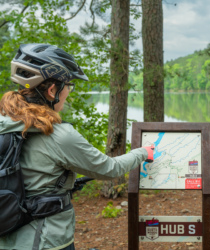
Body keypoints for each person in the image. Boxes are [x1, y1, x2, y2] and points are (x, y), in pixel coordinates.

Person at [0, 43, 154, 250]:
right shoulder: (58, 135)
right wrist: (142, 152)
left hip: (7, 235)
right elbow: (111, 169)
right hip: (46, 240)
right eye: (68, 86)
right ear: (53, 90)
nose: (69, 93)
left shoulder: (4, 123)